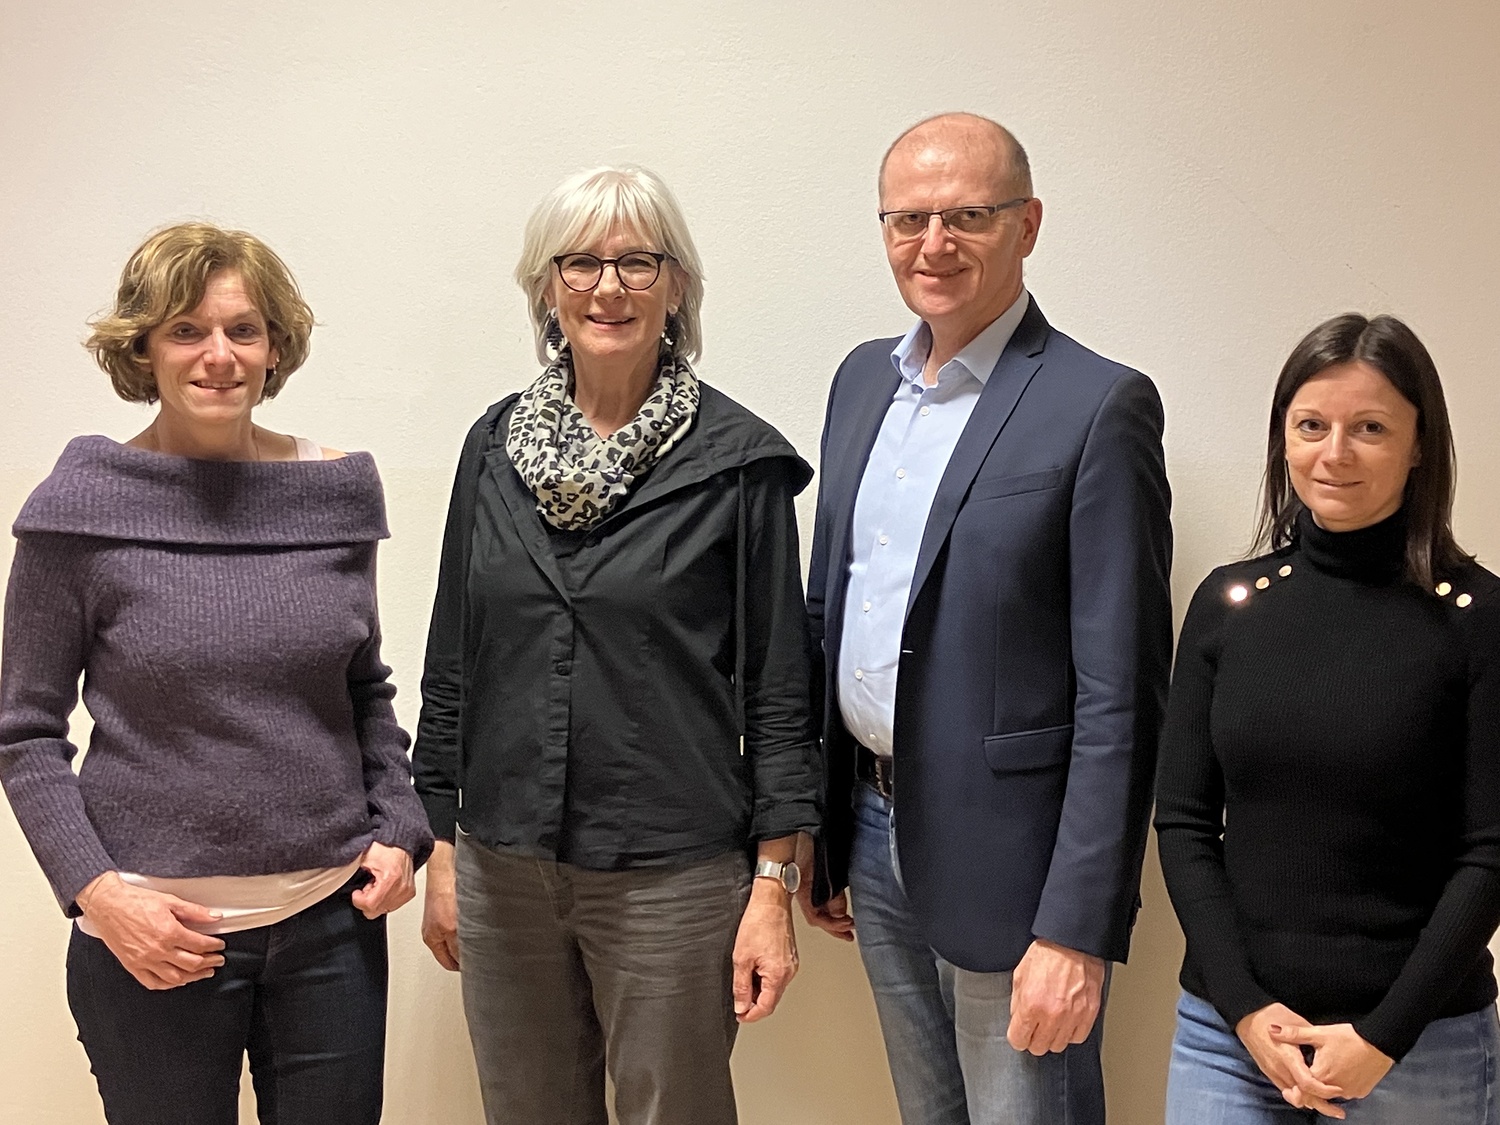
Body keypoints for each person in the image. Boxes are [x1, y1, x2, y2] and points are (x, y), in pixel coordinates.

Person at [411, 165, 820, 1125]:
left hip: (671, 871)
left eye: (638, 262)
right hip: (503, 861)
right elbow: (454, 662)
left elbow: (778, 692)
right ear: (546, 288)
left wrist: (773, 886)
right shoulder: (490, 449)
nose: (609, 287)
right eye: (582, 263)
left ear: (676, 287)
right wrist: (440, 848)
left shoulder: (740, 463)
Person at [0, 221, 433, 1124]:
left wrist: (401, 824)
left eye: (243, 329)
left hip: (331, 929)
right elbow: (25, 731)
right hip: (152, 938)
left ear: (276, 346)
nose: (219, 355)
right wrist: (98, 893)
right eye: (186, 331)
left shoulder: (336, 490)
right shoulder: (81, 503)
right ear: (143, 349)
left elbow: (362, 686)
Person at [799, 112, 1173, 1124]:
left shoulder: (1099, 405)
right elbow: (832, 607)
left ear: (1028, 224)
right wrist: (822, 827)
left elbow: (1123, 693)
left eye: (967, 215)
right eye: (908, 219)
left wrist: (1077, 927)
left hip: (1018, 871)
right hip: (872, 828)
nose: (934, 244)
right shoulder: (860, 383)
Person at [1155, 313, 1500, 1123]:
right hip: (1230, 1041)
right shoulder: (1227, 606)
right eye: (1312, 425)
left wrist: (1385, 1034)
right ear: (1284, 437)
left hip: (1419, 1047)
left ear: (1420, 445)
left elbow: (1491, 849)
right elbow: (1184, 821)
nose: (1334, 452)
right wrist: (1245, 1010)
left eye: (1370, 428)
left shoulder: (1476, 618)